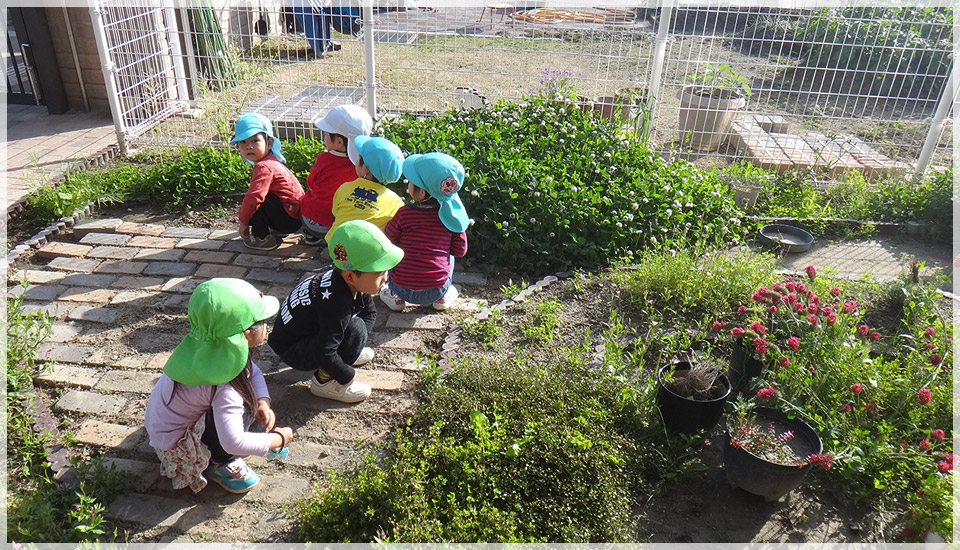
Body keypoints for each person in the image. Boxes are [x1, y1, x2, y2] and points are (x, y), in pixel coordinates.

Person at [144, 278, 294, 494]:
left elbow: (254, 371)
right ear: (246, 334)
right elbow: (233, 442)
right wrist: (277, 439)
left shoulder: (205, 344)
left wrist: (263, 401)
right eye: (262, 321)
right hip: (178, 450)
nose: (266, 326)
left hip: (163, 430)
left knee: (249, 401)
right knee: (243, 406)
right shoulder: (226, 385)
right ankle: (216, 463)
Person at [268, 220, 403, 403]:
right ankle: (325, 382)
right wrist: (347, 375)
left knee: (357, 330)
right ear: (351, 276)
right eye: (378, 273)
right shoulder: (335, 303)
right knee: (355, 329)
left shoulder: (346, 282)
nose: (385, 277)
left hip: (310, 336)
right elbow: (325, 353)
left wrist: (352, 346)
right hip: (294, 350)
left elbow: (369, 314)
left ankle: (345, 354)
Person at [380, 152, 469, 312]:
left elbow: (388, 238)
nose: (408, 184)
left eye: (411, 182)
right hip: (435, 290)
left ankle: (395, 296)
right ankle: (443, 297)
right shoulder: (450, 219)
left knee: (394, 248)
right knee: (448, 254)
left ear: (421, 193)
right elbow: (460, 251)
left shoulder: (404, 213)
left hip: (402, 287)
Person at [299, 105, 373, 245]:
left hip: (314, 222)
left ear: (339, 141)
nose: (324, 136)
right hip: (344, 224)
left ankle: (311, 236)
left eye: (326, 134)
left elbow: (311, 182)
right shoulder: (363, 166)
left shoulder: (323, 159)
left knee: (306, 198)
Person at [231, 112, 304, 251]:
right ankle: (273, 228)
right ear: (237, 146)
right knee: (256, 200)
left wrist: (243, 222)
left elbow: (254, 198)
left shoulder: (264, 167)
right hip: (294, 215)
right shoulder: (271, 160)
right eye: (243, 142)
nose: (249, 146)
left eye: (255, 141)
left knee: (254, 202)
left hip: (289, 220)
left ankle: (262, 238)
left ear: (269, 142)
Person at [324, 135, 405, 243]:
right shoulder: (395, 202)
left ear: (365, 169)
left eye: (358, 158)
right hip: (370, 253)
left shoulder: (345, 188)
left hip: (337, 247)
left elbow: (335, 212)